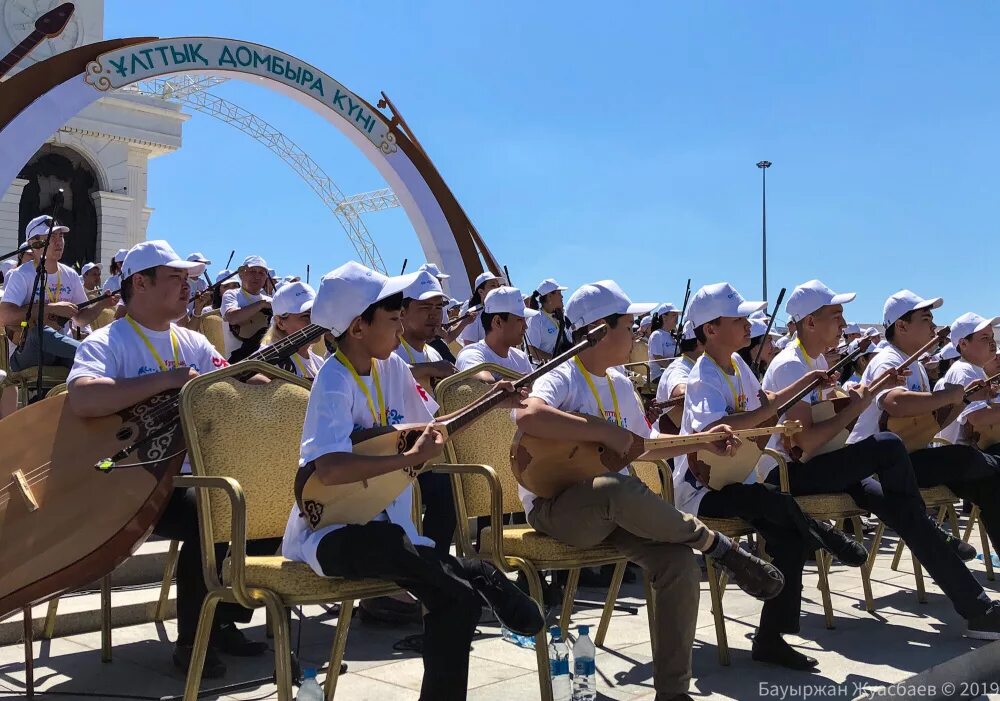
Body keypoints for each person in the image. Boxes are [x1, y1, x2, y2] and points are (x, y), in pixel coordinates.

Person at [281, 260, 543, 700]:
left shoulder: (394, 370)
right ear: (358, 327)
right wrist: (408, 458)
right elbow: (328, 469)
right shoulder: (333, 378)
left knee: (454, 599)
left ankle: (470, 586)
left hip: (391, 531)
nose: (401, 327)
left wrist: (493, 402)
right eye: (392, 317)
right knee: (401, 552)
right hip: (329, 533)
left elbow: (431, 430)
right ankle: (476, 572)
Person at [515, 279, 786, 701]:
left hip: (609, 509)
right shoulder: (562, 374)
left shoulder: (621, 384)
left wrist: (702, 441)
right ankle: (715, 544)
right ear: (599, 330)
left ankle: (673, 692)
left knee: (676, 562)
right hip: (555, 510)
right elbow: (529, 416)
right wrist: (605, 430)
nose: (636, 332)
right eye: (628, 324)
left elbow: (643, 447)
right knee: (614, 487)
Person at [66, 240, 274, 677]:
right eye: (175, 279)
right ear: (139, 283)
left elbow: (228, 377)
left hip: (189, 476)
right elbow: (83, 397)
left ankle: (221, 619)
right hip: (128, 481)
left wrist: (262, 378)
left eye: (187, 279)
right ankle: (193, 641)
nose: (187, 288)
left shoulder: (194, 341)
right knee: (211, 514)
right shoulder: (108, 341)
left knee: (265, 505)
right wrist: (171, 379)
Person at [760, 280, 1000, 645]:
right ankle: (969, 595)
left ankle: (978, 610)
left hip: (824, 464)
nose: (844, 324)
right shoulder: (793, 365)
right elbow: (805, 442)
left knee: (909, 515)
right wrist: (858, 403)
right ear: (809, 322)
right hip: (790, 473)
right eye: (835, 315)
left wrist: (860, 398)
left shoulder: (818, 362)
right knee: (889, 448)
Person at [672, 282, 870, 671]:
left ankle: (770, 638)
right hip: (703, 490)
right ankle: (823, 534)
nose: (749, 326)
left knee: (786, 537)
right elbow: (715, 430)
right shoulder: (703, 376)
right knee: (774, 503)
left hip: (738, 481)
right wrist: (764, 414)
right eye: (739, 319)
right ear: (710, 329)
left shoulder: (739, 365)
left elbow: (771, 406)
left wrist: (809, 382)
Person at [847, 290, 1000, 574]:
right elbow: (896, 402)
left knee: (990, 485)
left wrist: (964, 399)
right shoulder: (887, 360)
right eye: (926, 318)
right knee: (968, 459)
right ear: (901, 326)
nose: (933, 325)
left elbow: (930, 424)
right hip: (881, 465)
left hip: (911, 455)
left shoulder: (914, 364)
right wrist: (951, 396)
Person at [0, 216, 115, 372]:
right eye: (51, 237)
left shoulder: (70, 275)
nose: (58, 241)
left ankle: (96, 356)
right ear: (34, 243)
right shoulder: (20, 275)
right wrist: (51, 308)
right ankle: (93, 353)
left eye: (60, 236)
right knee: (40, 333)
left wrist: (102, 304)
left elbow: (80, 319)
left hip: (62, 350)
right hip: (25, 352)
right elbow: (4, 316)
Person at [456, 286, 536, 380]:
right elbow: (484, 383)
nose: (525, 326)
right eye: (519, 320)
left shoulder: (521, 357)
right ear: (498, 322)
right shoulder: (470, 354)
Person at [394, 271, 456, 389]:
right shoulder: (390, 352)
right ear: (402, 312)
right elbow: (384, 375)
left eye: (439, 307)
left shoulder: (434, 355)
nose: (434, 315)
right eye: (425, 307)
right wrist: (430, 368)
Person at [263, 281, 325, 380]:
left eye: (316, 313)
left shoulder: (319, 362)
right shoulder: (265, 360)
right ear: (280, 323)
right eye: (306, 316)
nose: (315, 320)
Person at [221, 255, 273, 362]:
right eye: (253, 271)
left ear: (265, 278)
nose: (257, 276)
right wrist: (261, 304)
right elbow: (232, 317)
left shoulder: (271, 301)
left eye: (261, 273)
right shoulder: (231, 295)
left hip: (268, 360)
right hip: (238, 363)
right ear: (241, 274)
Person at [525, 278, 570, 361]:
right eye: (559, 293)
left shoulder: (560, 317)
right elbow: (532, 351)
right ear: (549, 296)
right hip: (539, 371)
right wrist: (555, 359)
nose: (562, 296)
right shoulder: (535, 319)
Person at [457, 271, 501, 347]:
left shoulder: (502, 310)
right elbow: (469, 345)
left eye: (498, 286)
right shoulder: (473, 313)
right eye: (493, 285)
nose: (497, 289)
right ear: (481, 291)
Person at [647, 303, 679, 381]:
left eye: (677, 315)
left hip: (672, 374)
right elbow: (658, 358)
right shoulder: (657, 335)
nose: (677, 318)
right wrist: (676, 370)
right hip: (659, 375)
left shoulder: (673, 336)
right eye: (674, 315)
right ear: (664, 317)